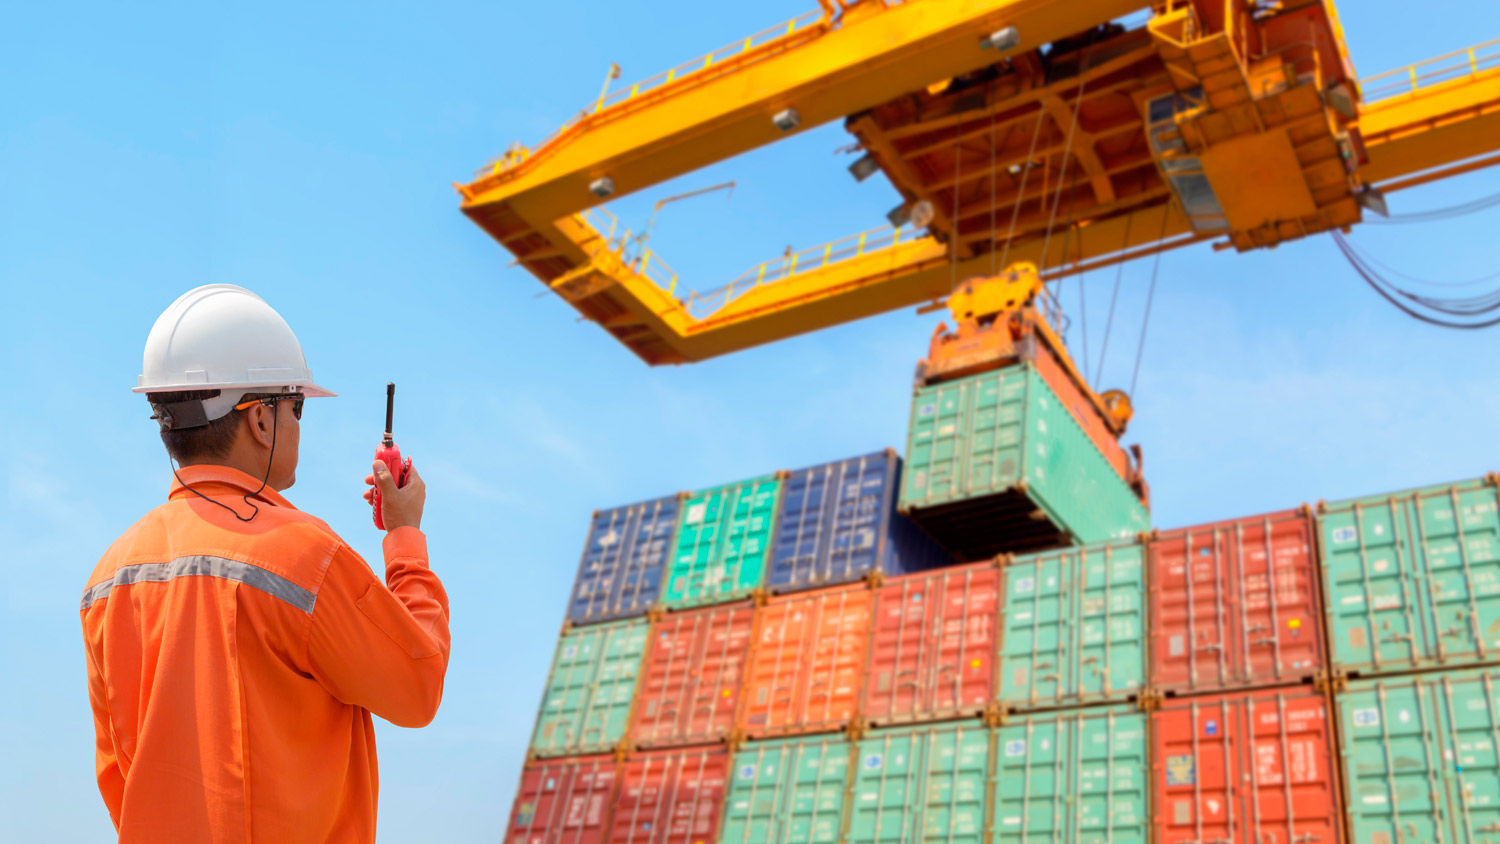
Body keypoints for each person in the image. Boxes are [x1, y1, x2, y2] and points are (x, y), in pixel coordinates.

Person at [80, 284, 451, 843]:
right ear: (259, 419)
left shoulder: (109, 578)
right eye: (296, 406)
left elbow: (118, 777)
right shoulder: (304, 557)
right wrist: (404, 536)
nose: (299, 424)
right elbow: (418, 684)